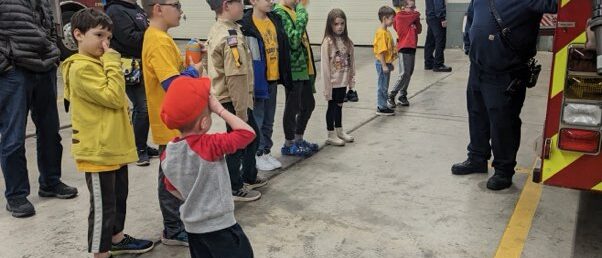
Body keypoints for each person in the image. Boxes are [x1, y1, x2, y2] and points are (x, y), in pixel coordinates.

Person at [60, 9, 154, 257]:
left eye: (109, 38)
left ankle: (117, 238)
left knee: (118, 197)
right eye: (99, 35)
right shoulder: (81, 68)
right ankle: (100, 252)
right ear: (78, 35)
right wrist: (113, 62)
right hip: (98, 151)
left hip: (113, 147)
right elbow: (112, 97)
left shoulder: (98, 63)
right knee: (103, 206)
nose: (105, 43)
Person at [452, 0, 557, 190]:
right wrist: (469, 46)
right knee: (477, 114)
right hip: (477, 68)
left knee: (503, 122)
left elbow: (557, 5)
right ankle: (477, 157)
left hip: (506, 73)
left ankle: (503, 170)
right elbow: (470, 18)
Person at [160, 77, 255, 258]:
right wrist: (219, 109)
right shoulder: (209, 145)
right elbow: (247, 133)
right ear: (204, 123)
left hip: (194, 230)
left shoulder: (168, 153)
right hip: (221, 227)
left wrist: (195, 197)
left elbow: (171, 187)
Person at [0, 0, 78, 218]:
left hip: (44, 67)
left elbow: (49, 23)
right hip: (13, 71)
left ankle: (50, 182)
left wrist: (53, 51)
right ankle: (16, 195)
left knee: (50, 131)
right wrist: (5, 62)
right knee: (13, 137)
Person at [141, 0, 202, 246]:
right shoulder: (158, 40)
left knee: (177, 173)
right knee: (171, 177)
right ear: (157, 8)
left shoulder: (161, 38)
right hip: (170, 121)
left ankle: (177, 224)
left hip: (174, 120)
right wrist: (194, 71)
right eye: (175, 4)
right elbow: (173, 85)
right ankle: (173, 229)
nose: (180, 10)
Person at [205, 0, 269, 202]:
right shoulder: (230, 37)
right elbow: (236, 78)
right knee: (241, 142)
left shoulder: (223, 28)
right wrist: (241, 115)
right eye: (240, 3)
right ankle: (235, 186)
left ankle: (248, 176)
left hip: (227, 97)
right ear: (226, 5)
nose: (243, 6)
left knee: (251, 139)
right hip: (233, 99)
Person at [105, 0, 160, 166]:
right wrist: (154, 32)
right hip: (130, 67)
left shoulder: (135, 8)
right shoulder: (115, 10)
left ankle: (141, 144)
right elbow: (129, 38)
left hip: (143, 64)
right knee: (142, 107)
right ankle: (138, 149)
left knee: (147, 106)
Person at [241, 0, 292, 171]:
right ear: (253, 1)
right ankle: (257, 153)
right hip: (258, 81)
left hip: (273, 77)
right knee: (258, 117)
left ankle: (266, 150)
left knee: (269, 119)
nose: (271, 1)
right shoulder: (246, 25)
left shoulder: (274, 20)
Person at [274, 0, 320, 157]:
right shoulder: (280, 12)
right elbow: (293, 41)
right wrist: (302, 14)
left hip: (303, 68)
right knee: (292, 106)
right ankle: (289, 143)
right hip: (293, 69)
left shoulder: (293, 10)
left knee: (308, 104)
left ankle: (298, 138)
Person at [321, 8, 356, 146]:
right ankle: (330, 134)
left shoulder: (348, 42)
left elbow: (352, 62)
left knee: (340, 106)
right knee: (332, 106)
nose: (339, 27)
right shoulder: (328, 42)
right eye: (336, 24)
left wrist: (351, 82)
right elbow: (324, 66)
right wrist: (327, 87)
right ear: (330, 25)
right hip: (333, 83)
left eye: (342, 23)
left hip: (343, 82)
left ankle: (339, 130)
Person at [388, 0, 421, 108]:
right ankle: (391, 95)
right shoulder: (400, 16)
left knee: (409, 73)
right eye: (411, 7)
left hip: (412, 47)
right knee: (404, 74)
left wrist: (417, 21)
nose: (414, 10)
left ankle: (402, 95)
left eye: (414, 7)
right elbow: (415, 14)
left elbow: (419, 30)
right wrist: (416, 15)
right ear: (403, 7)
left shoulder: (412, 17)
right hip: (404, 47)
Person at [373, 6, 397, 116]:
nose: (393, 21)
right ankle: (381, 107)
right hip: (382, 63)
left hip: (386, 63)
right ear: (384, 18)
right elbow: (381, 51)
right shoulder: (381, 33)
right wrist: (384, 65)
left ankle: (383, 104)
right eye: (392, 18)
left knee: (385, 86)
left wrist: (390, 62)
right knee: (382, 86)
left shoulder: (387, 32)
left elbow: (388, 49)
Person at [424, 0, 452, 72]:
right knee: (440, 41)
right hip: (437, 18)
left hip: (430, 16)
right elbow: (438, 3)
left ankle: (428, 63)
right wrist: (442, 17)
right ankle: (438, 65)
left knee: (430, 41)